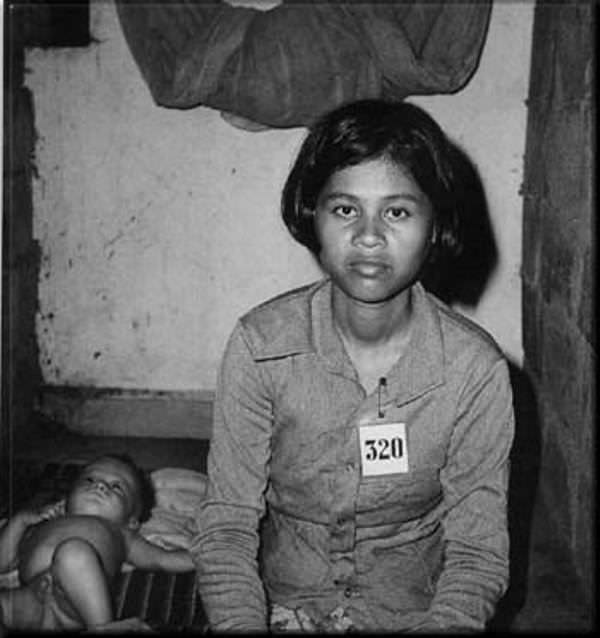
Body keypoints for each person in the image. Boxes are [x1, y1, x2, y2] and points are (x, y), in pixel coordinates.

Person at [192, 99, 515, 632]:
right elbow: (226, 528)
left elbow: (477, 555)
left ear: (436, 226)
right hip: (278, 606)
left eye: (398, 211)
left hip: (415, 613)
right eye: (345, 209)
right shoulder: (261, 346)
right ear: (310, 216)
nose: (369, 236)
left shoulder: (474, 371)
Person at [0, 453, 195, 631]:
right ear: (67, 499)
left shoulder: (121, 534)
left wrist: (208, 554)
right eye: (90, 479)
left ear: (132, 521)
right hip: (29, 599)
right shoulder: (46, 522)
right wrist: (20, 521)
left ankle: (104, 627)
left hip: (74, 608)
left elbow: (162, 560)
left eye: (117, 487)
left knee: (73, 553)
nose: (100, 486)